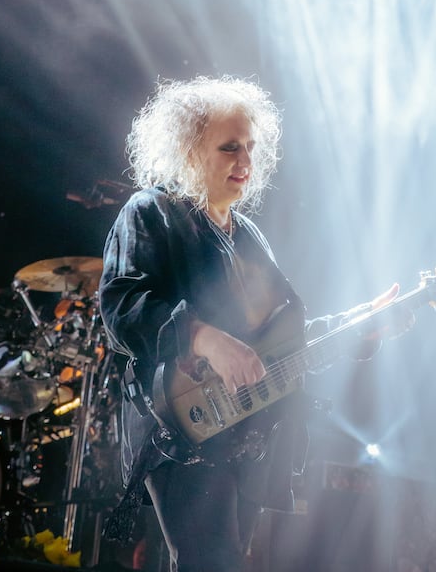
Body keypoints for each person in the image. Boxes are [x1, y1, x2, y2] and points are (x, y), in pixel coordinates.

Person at [98, 74, 406, 572]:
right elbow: (121, 304)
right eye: (229, 148)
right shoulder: (151, 210)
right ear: (190, 150)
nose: (245, 162)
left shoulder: (249, 236)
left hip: (248, 430)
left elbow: (282, 340)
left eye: (250, 148)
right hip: (180, 423)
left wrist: (359, 325)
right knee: (210, 560)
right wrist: (203, 338)